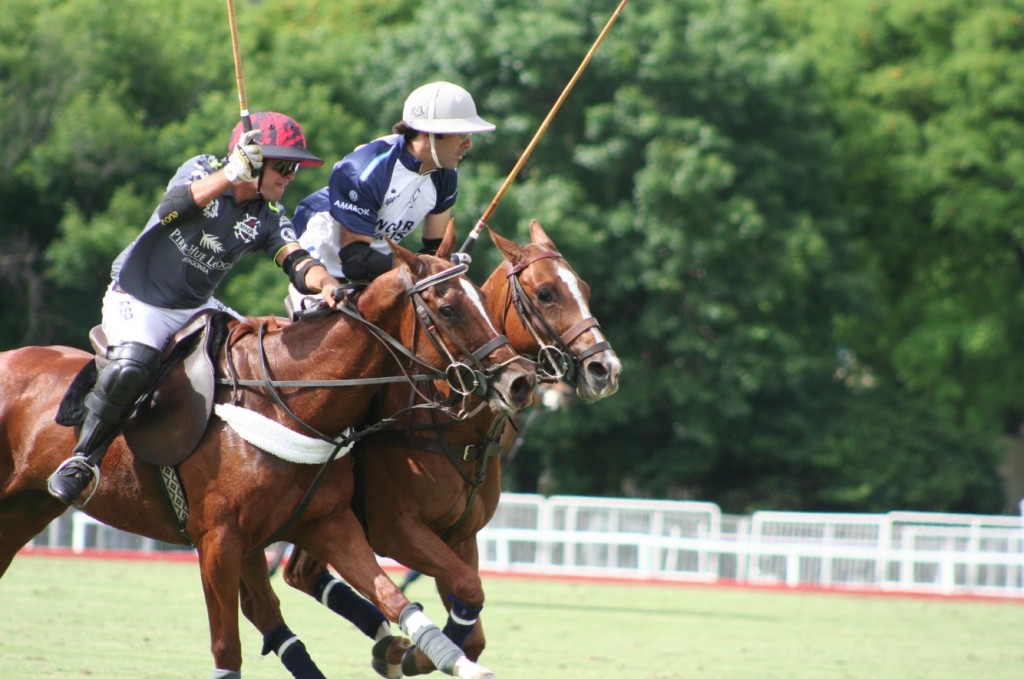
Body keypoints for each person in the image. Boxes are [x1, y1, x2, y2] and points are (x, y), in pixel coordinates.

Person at [47, 111, 345, 505]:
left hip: (196, 306)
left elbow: (297, 261)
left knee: (260, 363)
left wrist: (325, 282)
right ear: (254, 160)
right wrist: (230, 175)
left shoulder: (268, 217)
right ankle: (83, 460)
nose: (290, 176)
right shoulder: (202, 169)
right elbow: (171, 209)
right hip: (139, 297)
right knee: (133, 366)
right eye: (284, 166)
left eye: (294, 169)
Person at [285, 81, 495, 314]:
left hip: (375, 260)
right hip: (324, 262)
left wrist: (444, 266)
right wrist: (423, 268)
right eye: (461, 134)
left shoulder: (445, 173)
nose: (469, 144)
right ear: (429, 134)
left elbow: (433, 250)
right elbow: (355, 260)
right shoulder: (366, 170)